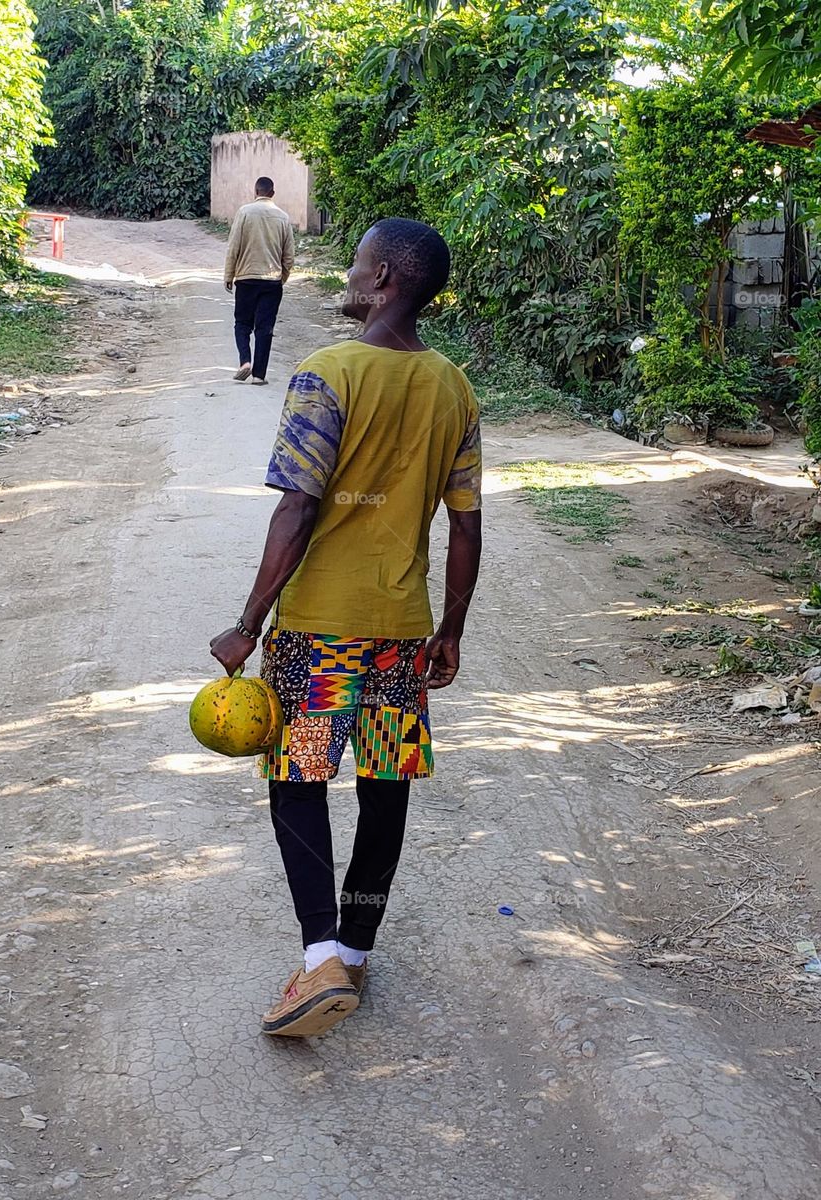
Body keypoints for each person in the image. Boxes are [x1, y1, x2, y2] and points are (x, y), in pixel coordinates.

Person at [210, 217, 482, 1037]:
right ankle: (356, 951)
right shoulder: (452, 388)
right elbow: (466, 526)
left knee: (299, 781)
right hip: (401, 633)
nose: (352, 274)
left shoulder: (327, 374)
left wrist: (248, 622)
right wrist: (451, 630)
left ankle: (319, 954)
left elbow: (297, 506)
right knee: (384, 783)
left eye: (362, 263)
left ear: (388, 279)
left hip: (321, 635)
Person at [223, 176, 296, 385]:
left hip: (246, 279)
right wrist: (282, 277)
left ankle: (245, 361)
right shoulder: (282, 217)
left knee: (242, 323)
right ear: (272, 193)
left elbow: (233, 246)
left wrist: (229, 275)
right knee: (265, 328)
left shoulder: (244, 212)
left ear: (255, 192)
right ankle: (259, 375)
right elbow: (289, 255)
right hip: (271, 281)